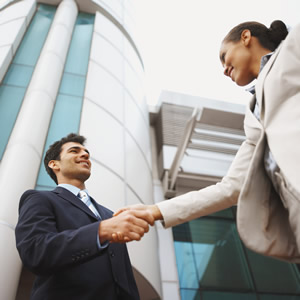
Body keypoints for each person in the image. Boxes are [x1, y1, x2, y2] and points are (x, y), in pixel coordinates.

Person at [114, 20, 300, 262]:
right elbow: (229, 188)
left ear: (246, 37)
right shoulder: (253, 116)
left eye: (224, 56)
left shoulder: (291, 53)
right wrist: (155, 210)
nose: (224, 69)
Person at [15, 133, 154, 300]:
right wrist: (100, 231)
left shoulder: (110, 215)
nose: (85, 155)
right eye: (74, 151)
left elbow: (124, 276)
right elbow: (36, 252)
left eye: (86, 152)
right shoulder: (39, 199)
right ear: (54, 164)